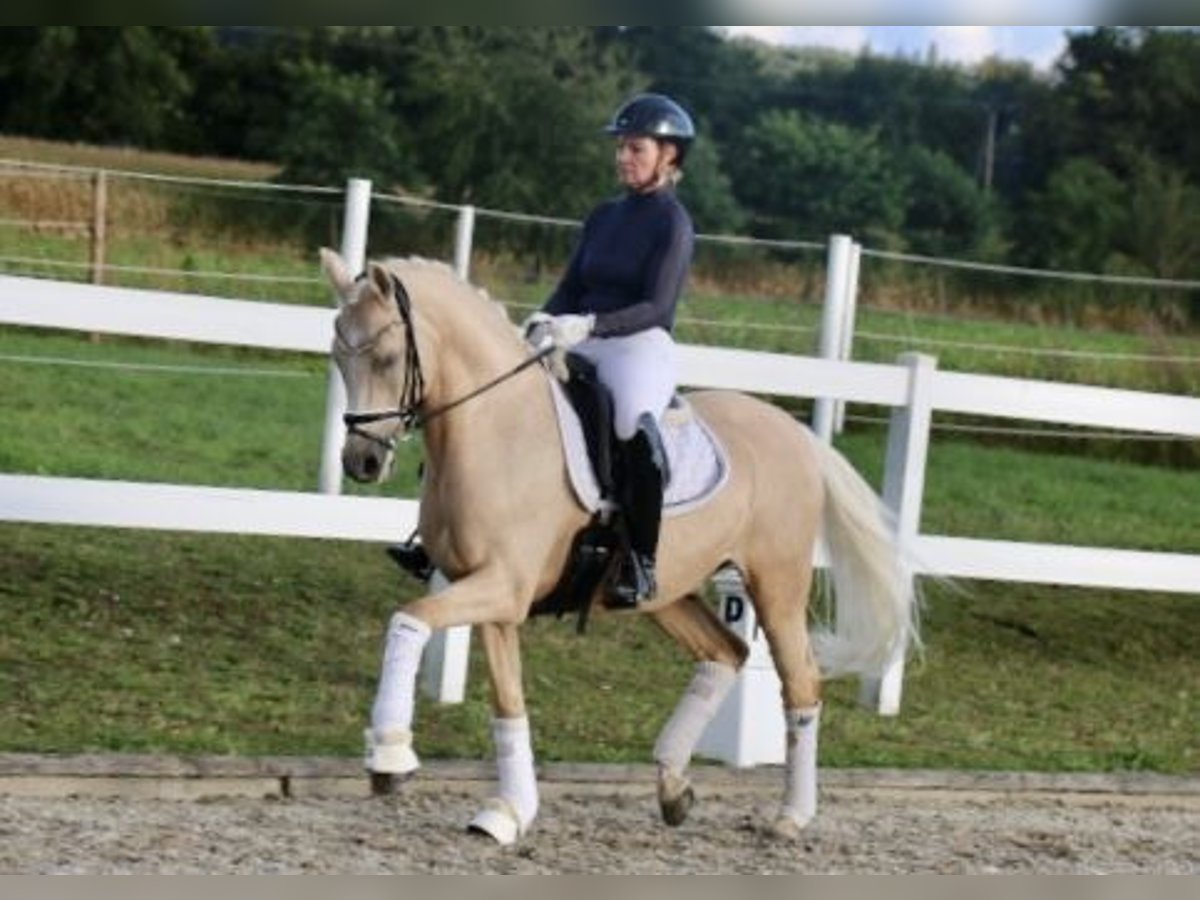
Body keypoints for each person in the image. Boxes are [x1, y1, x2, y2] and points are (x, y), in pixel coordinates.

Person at [523, 93, 696, 608]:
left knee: (628, 425)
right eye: (620, 147)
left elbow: (658, 307)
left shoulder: (673, 223)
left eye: (635, 148)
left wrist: (592, 325)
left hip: (638, 346)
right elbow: (571, 285)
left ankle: (642, 561)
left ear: (669, 156)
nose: (623, 156)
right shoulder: (603, 216)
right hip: (582, 334)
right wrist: (544, 317)